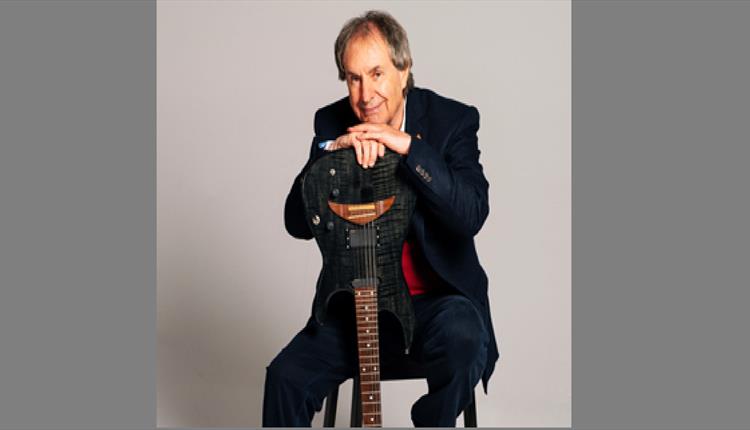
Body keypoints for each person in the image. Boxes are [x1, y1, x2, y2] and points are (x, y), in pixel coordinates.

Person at [263, 10, 499, 427]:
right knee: (285, 378)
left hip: (435, 310)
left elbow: (471, 214)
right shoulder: (332, 121)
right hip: (357, 310)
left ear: (404, 70)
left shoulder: (452, 121)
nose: (365, 93)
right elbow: (295, 223)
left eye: (376, 73)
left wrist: (410, 148)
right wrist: (328, 160)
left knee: (466, 339)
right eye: (353, 77)